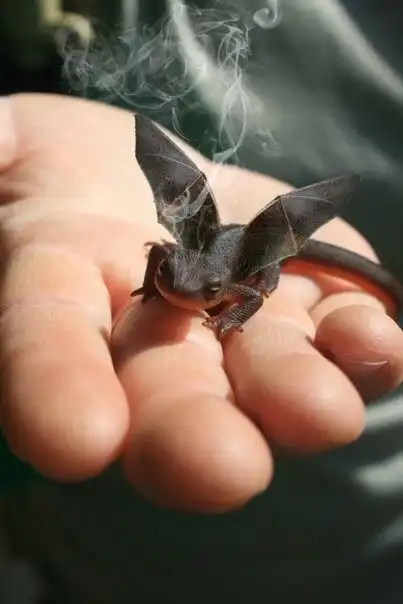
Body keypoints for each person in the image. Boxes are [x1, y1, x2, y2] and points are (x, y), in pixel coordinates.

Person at [0, 1, 403, 603]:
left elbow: (251, 288)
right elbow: (163, 255)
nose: (184, 296)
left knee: (277, 281)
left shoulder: (234, 284)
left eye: (205, 296)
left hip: (349, 533)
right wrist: (152, 283)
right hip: (85, 543)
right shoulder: (174, 266)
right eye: (172, 282)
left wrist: (235, 308)